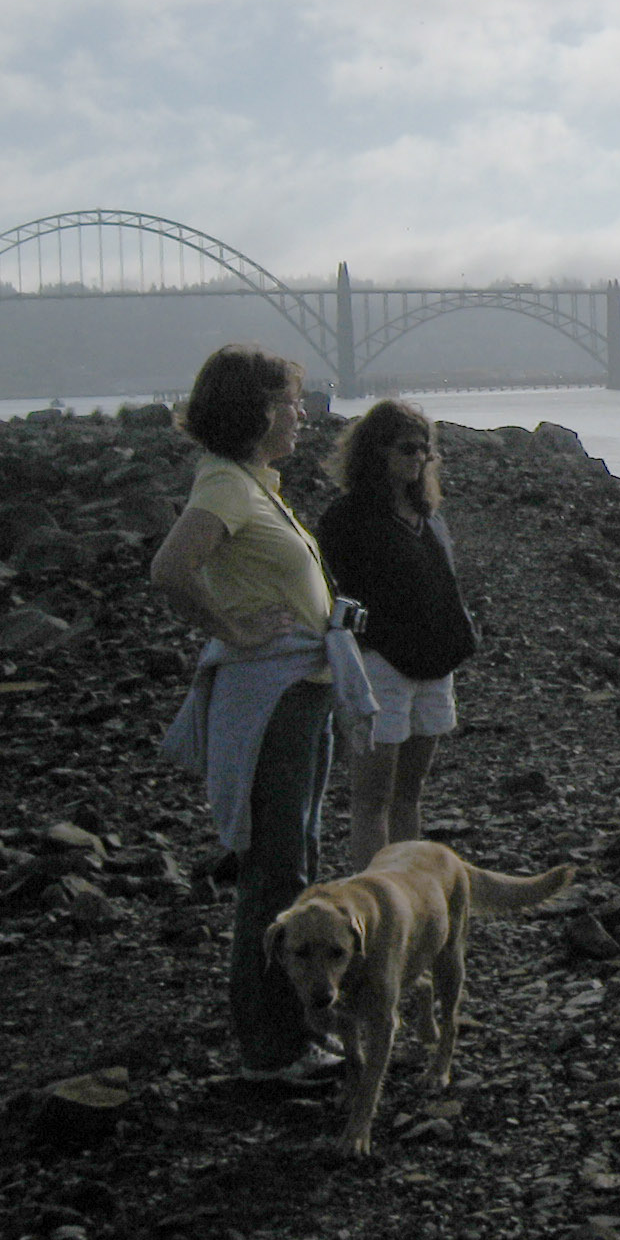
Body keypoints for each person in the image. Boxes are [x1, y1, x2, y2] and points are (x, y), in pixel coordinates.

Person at [152, 346, 374, 1086]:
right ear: (257, 410)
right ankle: (271, 1048)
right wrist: (234, 629)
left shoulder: (250, 483)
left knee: (291, 860)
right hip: (273, 698)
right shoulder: (225, 486)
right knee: (276, 871)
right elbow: (170, 568)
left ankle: (288, 1034)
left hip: (298, 694)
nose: (303, 415)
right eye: (291, 401)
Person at [318, 400, 477, 867]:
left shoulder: (427, 515)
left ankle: (408, 890)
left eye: (425, 451)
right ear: (376, 451)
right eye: (407, 448)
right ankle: (371, 897)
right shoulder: (347, 519)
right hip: (380, 667)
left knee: (409, 792)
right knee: (372, 797)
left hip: (434, 665)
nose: (419, 458)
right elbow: (338, 592)